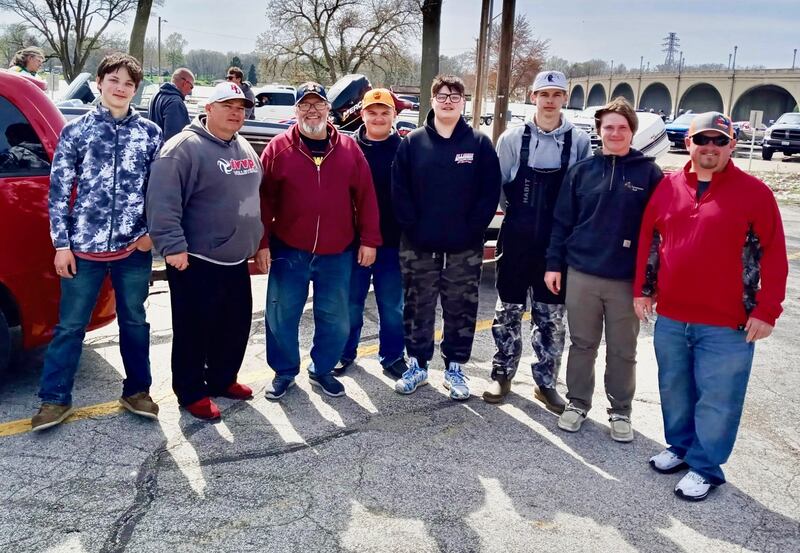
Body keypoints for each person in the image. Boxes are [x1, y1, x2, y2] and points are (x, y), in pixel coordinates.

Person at [633, 112, 787, 501]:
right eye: (703, 139)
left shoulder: (755, 193)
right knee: (674, 388)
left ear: (732, 145)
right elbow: (650, 240)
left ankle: (705, 466)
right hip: (672, 316)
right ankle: (681, 448)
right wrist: (643, 289)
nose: (710, 148)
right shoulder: (668, 186)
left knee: (718, 397)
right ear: (689, 143)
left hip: (728, 322)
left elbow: (775, 257)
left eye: (720, 141)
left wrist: (767, 310)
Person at [32, 53, 162, 431]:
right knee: (70, 326)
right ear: (101, 82)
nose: (120, 88)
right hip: (83, 248)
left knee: (135, 321)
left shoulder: (150, 134)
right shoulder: (77, 131)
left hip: (132, 248)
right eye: (114, 80)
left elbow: (161, 191)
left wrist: (151, 234)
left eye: (128, 84)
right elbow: (58, 191)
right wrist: (61, 244)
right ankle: (54, 399)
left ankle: (137, 390)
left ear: (135, 91)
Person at [544, 97, 663, 442]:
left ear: (631, 132)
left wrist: (649, 284)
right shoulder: (582, 171)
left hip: (626, 279)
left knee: (623, 349)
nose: (615, 133)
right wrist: (554, 264)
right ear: (599, 131)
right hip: (582, 272)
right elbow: (561, 222)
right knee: (582, 344)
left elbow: (657, 233)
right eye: (608, 127)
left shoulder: (648, 173)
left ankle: (620, 410)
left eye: (622, 127)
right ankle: (578, 403)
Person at [256, 82, 380, 400]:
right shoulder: (278, 149)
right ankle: (284, 372)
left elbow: (365, 197)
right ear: (296, 110)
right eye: (305, 105)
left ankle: (322, 369)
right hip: (290, 249)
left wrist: (369, 240)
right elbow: (264, 201)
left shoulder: (350, 150)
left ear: (329, 109)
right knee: (281, 314)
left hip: (337, 252)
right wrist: (262, 243)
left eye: (318, 104)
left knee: (336, 319)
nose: (312, 110)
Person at [147, 81, 262, 420]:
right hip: (196, 259)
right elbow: (162, 202)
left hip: (236, 257)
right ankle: (191, 391)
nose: (235, 112)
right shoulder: (183, 148)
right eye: (227, 105)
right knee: (194, 329)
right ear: (208, 108)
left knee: (234, 324)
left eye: (241, 108)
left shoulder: (242, 146)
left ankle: (223, 378)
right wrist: (173, 247)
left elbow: (256, 194)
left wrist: (257, 241)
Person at [392, 74, 501, 401]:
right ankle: (418, 366)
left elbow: (488, 193)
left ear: (463, 102)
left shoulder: (479, 145)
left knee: (461, 308)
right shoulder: (412, 143)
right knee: (417, 307)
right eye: (442, 95)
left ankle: (455, 368)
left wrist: (472, 231)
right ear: (433, 100)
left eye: (455, 95)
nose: (449, 100)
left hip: (463, 249)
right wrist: (414, 229)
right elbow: (400, 191)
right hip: (418, 247)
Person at [485, 70, 590, 410]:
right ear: (533, 97)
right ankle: (502, 375)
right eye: (543, 94)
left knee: (550, 317)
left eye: (556, 94)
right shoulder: (513, 139)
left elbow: (582, 193)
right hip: (516, 237)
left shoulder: (579, 141)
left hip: (556, 244)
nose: (549, 100)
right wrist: (519, 215)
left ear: (564, 98)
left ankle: (546, 383)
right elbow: (499, 187)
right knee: (508, 312)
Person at [335, 88, 407, 379]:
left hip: (393, 243)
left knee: (392, 306)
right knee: (350, 303)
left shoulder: (407, 149)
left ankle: (392, 355)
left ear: (394, 115)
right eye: (372, 112)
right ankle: (344, 352)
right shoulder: (345, 148)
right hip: (353, 244)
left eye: (384, 112)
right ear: (361, 114)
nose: (378, 118)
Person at [149, 68, 194, 141]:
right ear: (185, 83)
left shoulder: (156, 95)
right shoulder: (175, 102)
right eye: (191, 87)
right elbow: (175, 139)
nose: (190, 91)